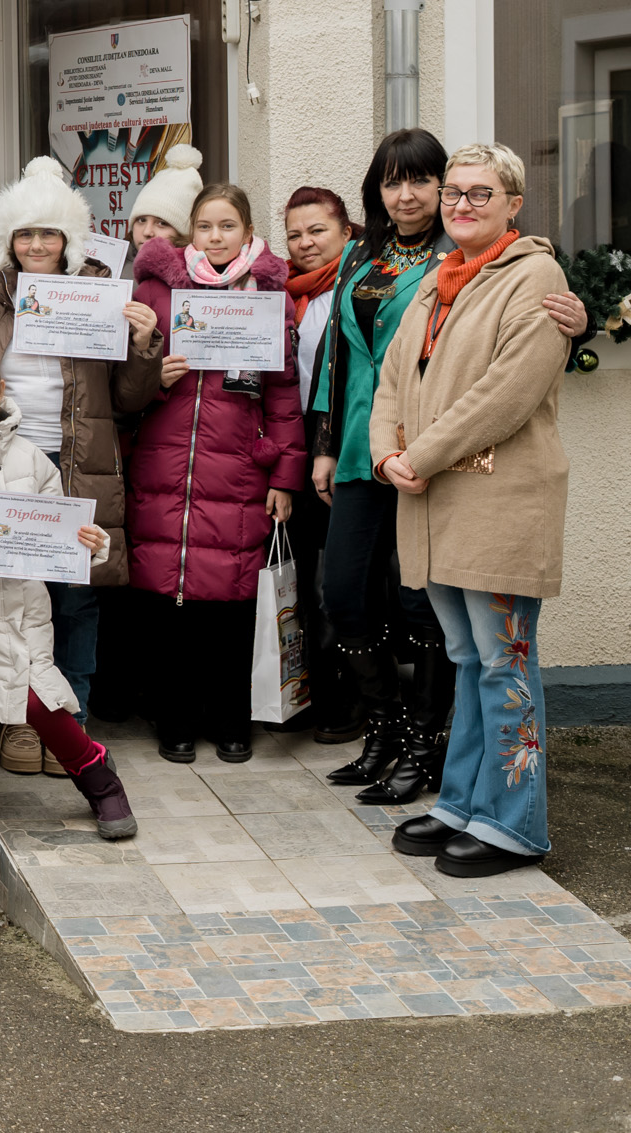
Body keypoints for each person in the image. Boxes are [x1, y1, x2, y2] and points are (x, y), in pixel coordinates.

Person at [376, 144, 570, 877]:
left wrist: (417, 456)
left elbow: (507, 394)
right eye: (454, 192)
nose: (462, 204)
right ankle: (464, 803)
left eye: (480, 193)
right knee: (467, 659)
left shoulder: (535, 277)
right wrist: (385, 453)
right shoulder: (437, 280)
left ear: (513, 204)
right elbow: (393, 378)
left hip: (498, 502)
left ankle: (515, 826)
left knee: (504, 662)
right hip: (436, 502)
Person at [0, 157, 162, 766]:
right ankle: (19, 721)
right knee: (9, 596)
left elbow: (129, 399)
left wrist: (143, 344)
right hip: (2, 462)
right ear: (8, 240)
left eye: (49, 233)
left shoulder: (99, 297)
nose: (37, 245)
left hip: (77, 463)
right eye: (25, 234)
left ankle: (71, 720)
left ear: (70, 239)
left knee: (74, 598)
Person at [0, 342, 136, 877]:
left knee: (38, 702)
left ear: (0, 388)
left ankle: (98, 777)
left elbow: (58, 533)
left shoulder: (30, 455)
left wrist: (89, 543)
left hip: (18, 606)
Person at [128, 184, 306, 764]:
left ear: (248, 232)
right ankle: (176, 719)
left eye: (227, 226)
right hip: (167, 466)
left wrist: (285, 477)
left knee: (232, 604)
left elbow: (283, 394)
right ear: (190, 231)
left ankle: (231, 720)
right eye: (205, 226)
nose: (215, 237)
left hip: (238, 472)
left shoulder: (269, 295)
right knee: (170, 602)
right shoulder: (157, 289)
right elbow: (123, 386)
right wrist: (155, 375)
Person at [280, 186, 357, 739]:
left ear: (346, 233)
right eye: (294, 234)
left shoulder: (357, 288)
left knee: (340, 580)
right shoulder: (283, 294)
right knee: (300, 575)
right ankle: (304, 692)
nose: (305, 243)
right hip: (296, 441)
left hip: (347, 442)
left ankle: (346, 699)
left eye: (317, 231)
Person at [121, 143, 206, 277]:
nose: (147, 232)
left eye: (162, 223)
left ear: (184, 233)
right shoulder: (110, 268)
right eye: (141, 220)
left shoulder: (201, 277)